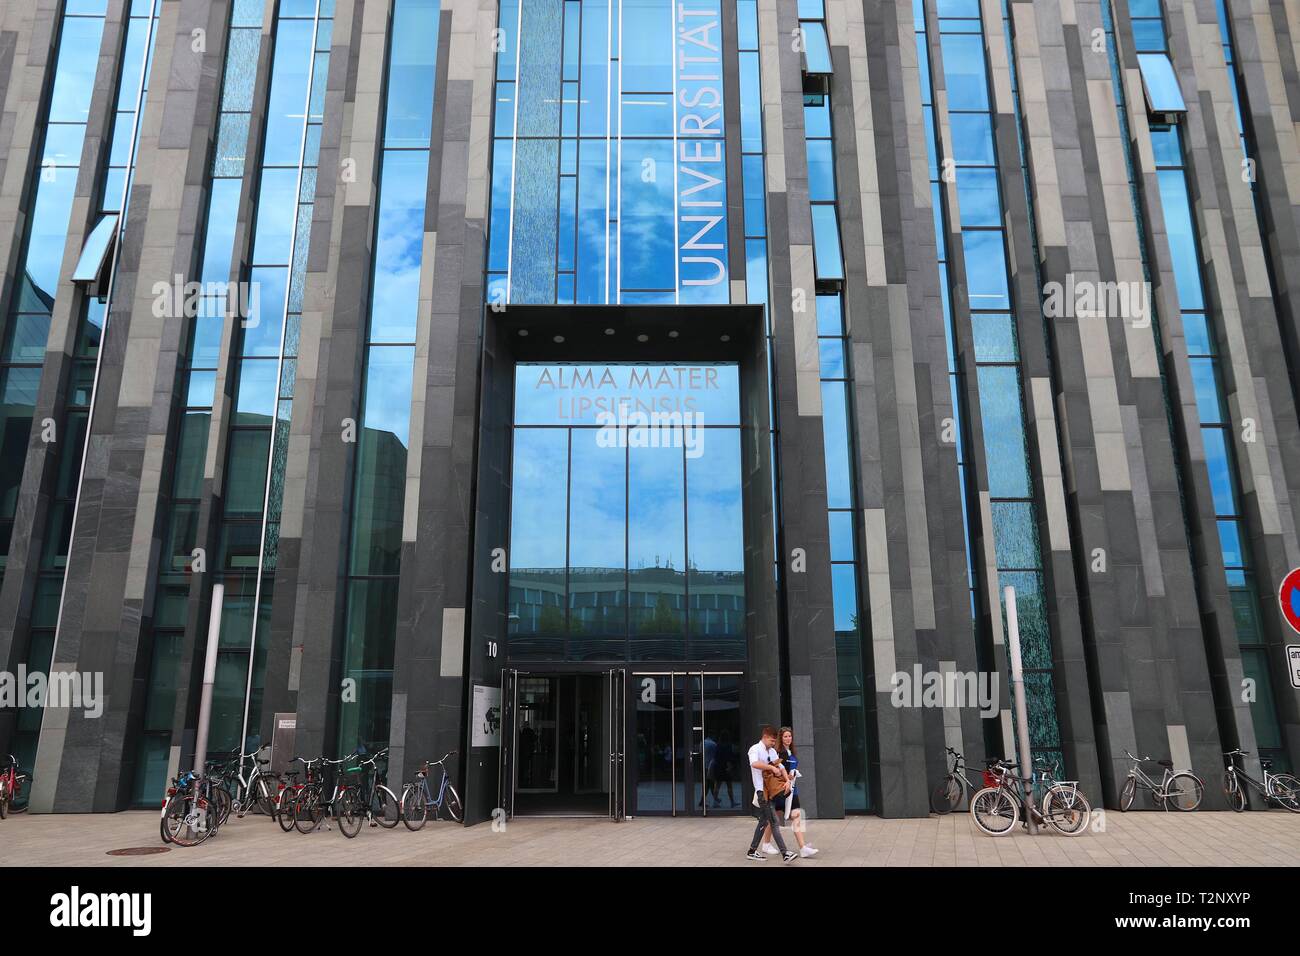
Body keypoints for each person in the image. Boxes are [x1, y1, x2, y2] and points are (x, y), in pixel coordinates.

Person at [746, 725, 798, 862]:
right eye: (772, 741)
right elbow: (754, 764)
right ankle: (785, 853)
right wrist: (770, 767)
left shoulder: (772, 752)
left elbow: (781, 767)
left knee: (764, 821)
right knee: (774, 821)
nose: (774, 743)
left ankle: (752, 851)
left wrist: (787, 780)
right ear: (765, 737)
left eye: (775, 741)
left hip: (772, 791)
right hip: (762, 791)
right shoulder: (754, 749)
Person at [764, 726, 818, 857]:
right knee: (774, 818)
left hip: (793, 790)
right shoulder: (778, 753)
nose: (788, 739)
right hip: (782, 790)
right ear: (780, 739)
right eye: (785, 736)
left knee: (796, 815)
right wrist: (787, 776)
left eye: (790, 736)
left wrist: (794, 774)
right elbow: (774, 771)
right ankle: (766, 844)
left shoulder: (791, 752)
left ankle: (802, 847)